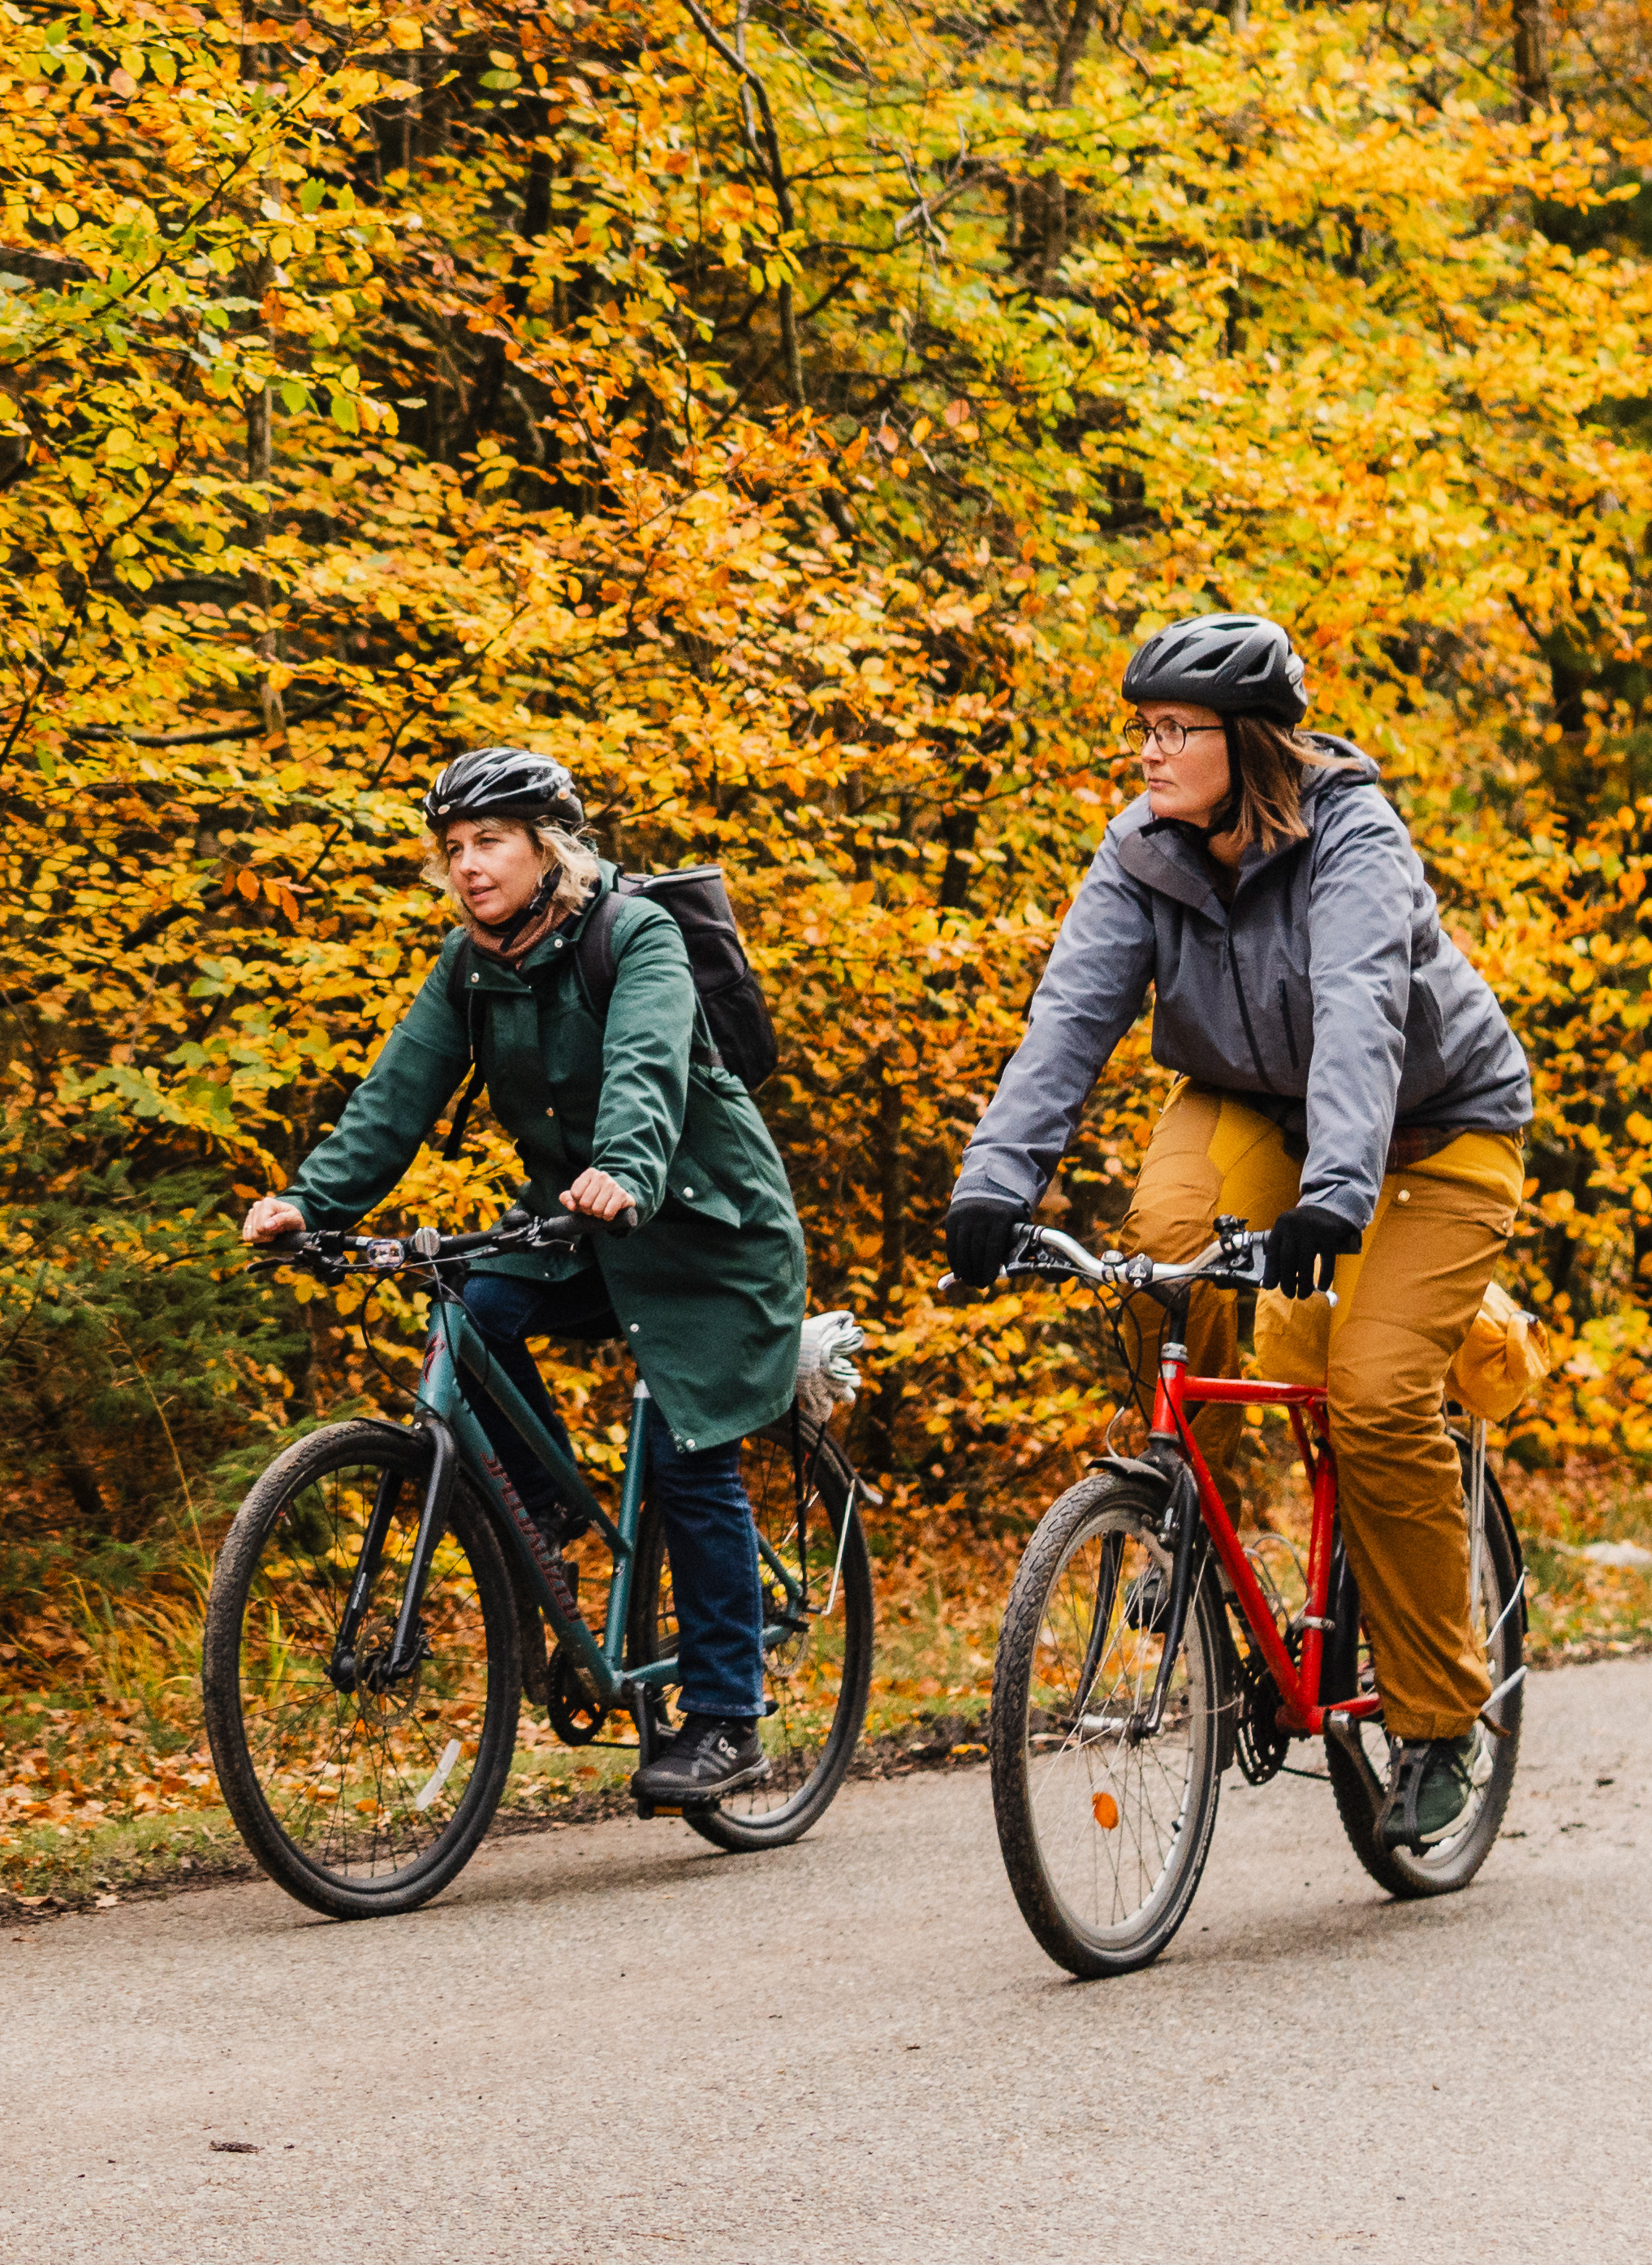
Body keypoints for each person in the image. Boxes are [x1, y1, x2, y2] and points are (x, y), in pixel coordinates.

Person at [942, 612, 1537, 1848]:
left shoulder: (1353, 839)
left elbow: (1366, 1008)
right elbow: (1070, 1020)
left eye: (1177, 733)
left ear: (1246, 742)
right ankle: (1179, 1507)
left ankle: (1438, 1720)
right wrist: (993, 1185)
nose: (1149, 756)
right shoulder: (1143, 852)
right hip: (1250, 1100)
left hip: (1438, 1129)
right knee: (1162, 1252)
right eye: (1144, 731)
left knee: (1375, 1397)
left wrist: (1332, 1192)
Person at [242, 747, 812, 1808]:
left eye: (489, 842)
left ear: (548, 851)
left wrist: (623, 1171)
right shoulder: (471, 966)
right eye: (452, 849)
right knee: (475, 1306)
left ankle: (728, 1718)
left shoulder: (632, 936)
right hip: (587, 1231)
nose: (467, 866)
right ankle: (542, 1510)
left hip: (708, 1234)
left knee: (688, 1449)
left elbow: (647, 1068)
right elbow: (396, 1093)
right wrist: (310, 1203)